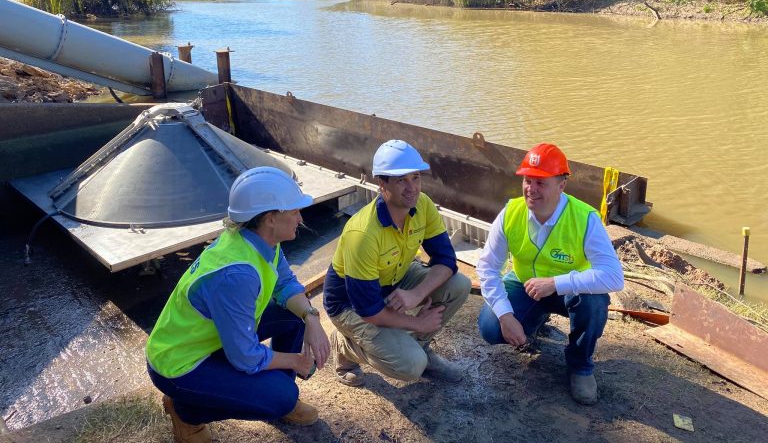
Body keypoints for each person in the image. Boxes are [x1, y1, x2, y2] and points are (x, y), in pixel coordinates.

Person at [146, 167, 331, 443]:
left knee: (294, 315)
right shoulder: (237, 275)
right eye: (294, 211)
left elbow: (285, 284)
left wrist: (312, 318)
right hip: (180, 363)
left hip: (213, 341)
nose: (300, 217)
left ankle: (275, 391)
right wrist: (295, 360)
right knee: (281, 397)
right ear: (270, 219)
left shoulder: (261, 240)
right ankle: (185, 412)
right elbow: (245, 357)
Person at [476, 143, 624, 405]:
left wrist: (557, 283)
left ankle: (580, 366)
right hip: (525, 285)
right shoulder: (511, 212)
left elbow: (613, 276)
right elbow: (488, 266)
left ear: (561, 184)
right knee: (491, 328)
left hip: (570, 292)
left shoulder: (584, 218)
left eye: (541, 182)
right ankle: (532, 322)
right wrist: (505, 315)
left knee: (595, 302)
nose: (531, 190)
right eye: (528, 180)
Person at [323, 139, 471, 386]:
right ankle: (344, 344)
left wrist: (416, 294)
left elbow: (446, 260)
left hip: (394, 279)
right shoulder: (363, 234)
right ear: (382, 184)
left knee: (458, 284)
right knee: (410, 366)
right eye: (401, 180)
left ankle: (421, 347)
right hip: (350, 303)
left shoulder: (422, 204)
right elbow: (369, 310)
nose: (412, 188)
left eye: (415, 178)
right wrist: (417, 322)